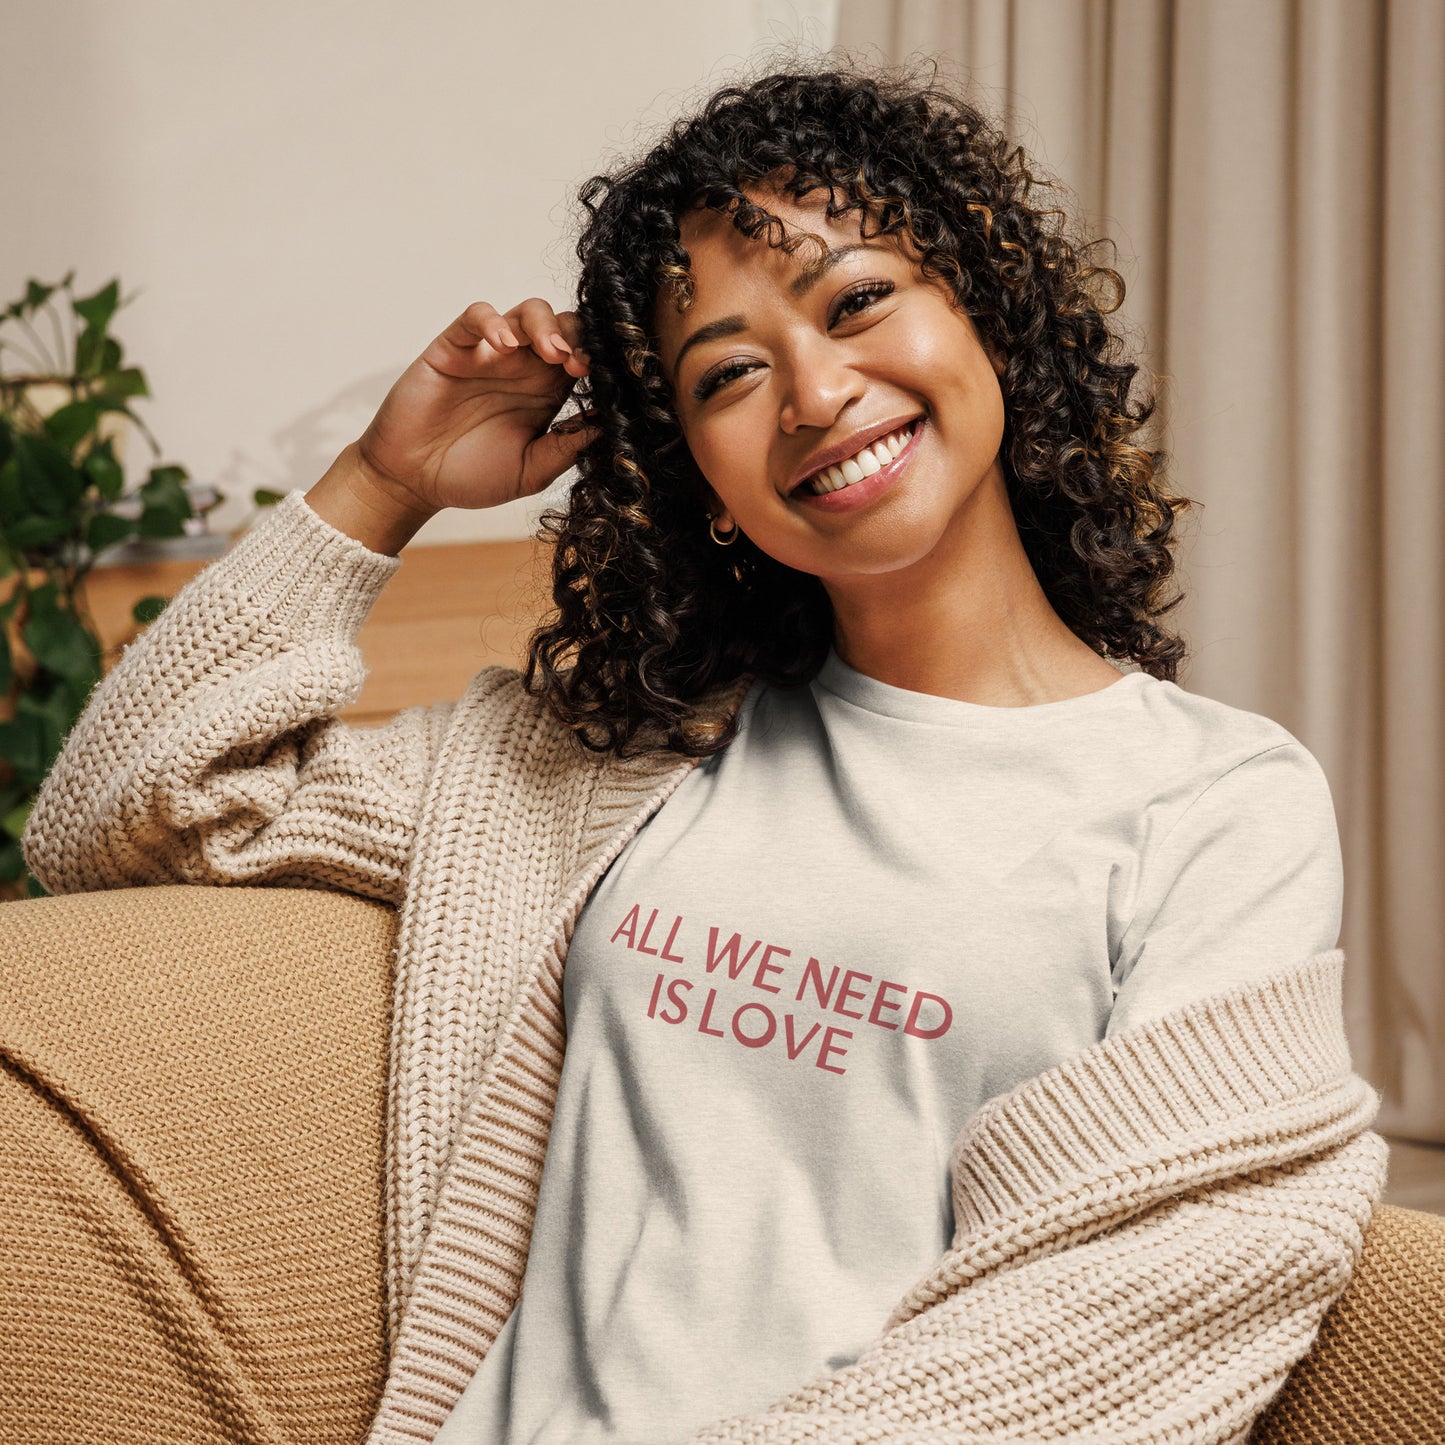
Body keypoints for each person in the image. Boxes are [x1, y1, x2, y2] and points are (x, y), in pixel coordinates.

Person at [15, 60, 1385, 1445]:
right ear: (702, 481)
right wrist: (383, 483)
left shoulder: (1213, 802)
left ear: (986, 314)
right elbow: (127, 813)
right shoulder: (606, 765)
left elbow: (1148, 1291)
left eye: (857, 301)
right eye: (728, 372)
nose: (812, 390)